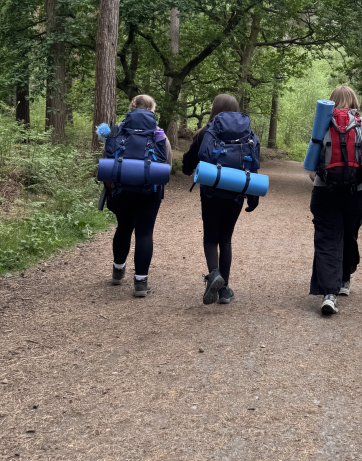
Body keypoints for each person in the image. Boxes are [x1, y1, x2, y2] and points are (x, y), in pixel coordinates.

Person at [309, 85, 362, 316]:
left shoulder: (322, 123)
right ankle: (344, 279)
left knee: (327, 239)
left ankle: (329, 295)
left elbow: (312, 163)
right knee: (349, 235)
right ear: (354, 101)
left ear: (332, 101)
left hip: (325, 190)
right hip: (355, 192)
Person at [182, 93, 260, 305]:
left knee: (211, 238)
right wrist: (252, 196)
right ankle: (224, 290)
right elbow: (253, 165)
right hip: (237, 193)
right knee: (225, 238)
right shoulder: (249, 134)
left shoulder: (206, 131)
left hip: (211, 192)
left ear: (215, 109)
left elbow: (189, 160)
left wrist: (187, 169)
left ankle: (214, 274)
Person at [105, 94, 173, 298]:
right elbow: (167, 166)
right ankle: (141, 283)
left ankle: (118, 272)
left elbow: (108, 160)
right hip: (149, 191)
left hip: (121, 189)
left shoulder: (117, 130)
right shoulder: (158, 133)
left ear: (131, 108)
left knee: (123, 228)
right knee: (144, 232)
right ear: (151, 111)